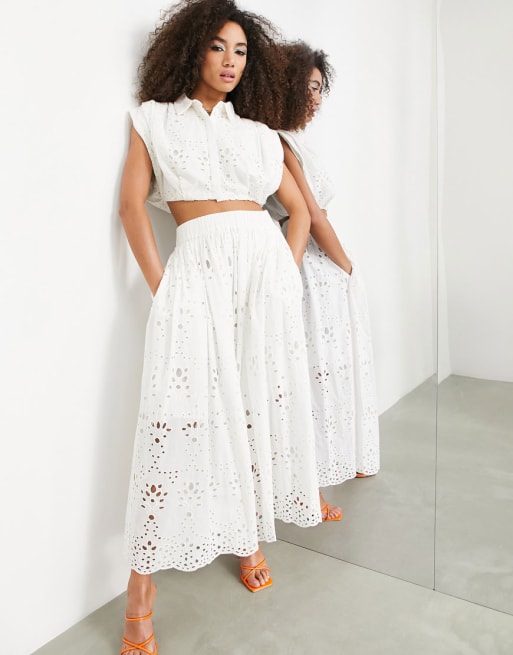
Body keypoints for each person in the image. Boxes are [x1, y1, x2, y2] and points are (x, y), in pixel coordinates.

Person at [118, 3, 322, 653]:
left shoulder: (260, 133)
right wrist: (165, 288)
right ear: (190, 51)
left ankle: (249, 537)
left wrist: (284, 275)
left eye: (240, 51)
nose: (231, 61)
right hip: (195, 275)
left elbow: (298, 213)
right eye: (217, 47)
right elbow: (131, 208)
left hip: (262, 280)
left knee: (252, 409)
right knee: (176, 418)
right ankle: (139, 595)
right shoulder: (153, 120)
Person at [265, 41, 380, 522]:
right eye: (307, 87)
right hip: (306, 262)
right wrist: (347, 265)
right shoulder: (278, 141)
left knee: (331, 368)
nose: (314, 98)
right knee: (309, 374)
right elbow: (311, 216)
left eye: (319, 89)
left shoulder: (296, 139)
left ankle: (344, 457)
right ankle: (308, 488)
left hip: (319, 263)